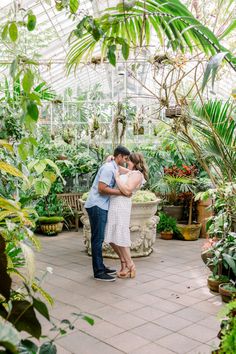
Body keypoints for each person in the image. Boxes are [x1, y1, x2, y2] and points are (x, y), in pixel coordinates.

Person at [85, 145, 130, 282]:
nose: (126, 161)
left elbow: (129, 171)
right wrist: (121, 193)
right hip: (97, 205)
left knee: (100, 237)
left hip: (100, 205)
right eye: (125, 158)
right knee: (97, 239)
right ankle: (98, 272)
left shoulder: (113, 167)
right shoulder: (108, 168)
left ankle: (101, 267)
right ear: (119, 156)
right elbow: (101, 188)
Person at [104, 152, 148, 278]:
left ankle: (130, 265)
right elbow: (115, 167)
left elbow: (127, 190)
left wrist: (117, 178)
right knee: (112, 237)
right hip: (114, 205)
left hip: (121, 206)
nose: (125, 162)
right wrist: (111, 159)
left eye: (128, 160)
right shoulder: (130, 172)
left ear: (133, 162)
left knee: (120, 236)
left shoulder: (137, 175)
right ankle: (126, 263)